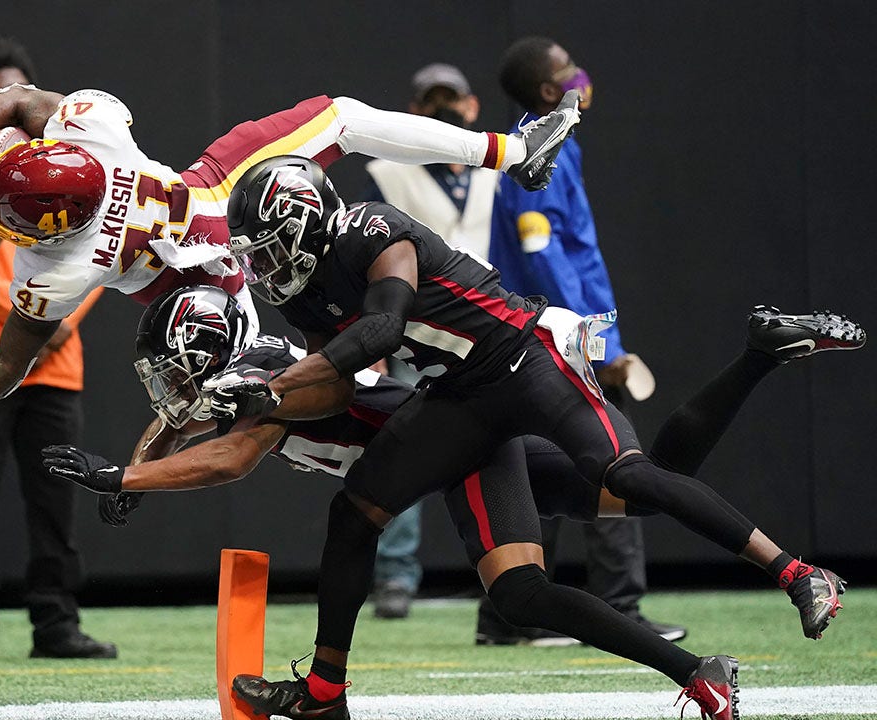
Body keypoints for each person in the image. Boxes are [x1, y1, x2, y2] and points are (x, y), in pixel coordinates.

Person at [205, 155, 855, 720]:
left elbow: (380, 329)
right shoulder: (305, 291)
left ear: (305, 222)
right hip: (458, 399)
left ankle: (799, 573)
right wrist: (276, 398)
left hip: (523, 354)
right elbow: (339, 384)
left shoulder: (369, 229)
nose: (261, 268)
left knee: (626, 475)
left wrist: (277, 386)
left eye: (265, 248)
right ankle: (323, 692)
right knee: (372, 523)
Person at [43, 284, 863, 720]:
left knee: (519, 591)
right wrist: (148, 453)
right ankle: (759, 354)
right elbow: (197, 414)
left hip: (456, 443)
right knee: (652, 481)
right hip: (450, 443)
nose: (169, 392)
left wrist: (124, 479)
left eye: (177, 374)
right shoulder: (251, 364)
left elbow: (229, 456)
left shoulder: (267, 388)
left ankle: (696, 674)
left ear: (213, 359)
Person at [0, 75, 582, 480]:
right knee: (341, 117)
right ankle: (511, 151)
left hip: (216, 280)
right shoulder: (87, 129)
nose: (4, 231)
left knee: (257, 401)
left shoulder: (54, 266)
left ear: (53, 223)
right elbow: (19, 97)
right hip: (216, 195)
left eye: (16, 221)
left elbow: (8, 369)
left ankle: (402, 439)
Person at [482, 37, 683, 645]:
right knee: (614, 462)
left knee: (538, 468)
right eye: (567, 70)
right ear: (549, 93)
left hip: (547, 335)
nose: (580, 75)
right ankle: (613, 604)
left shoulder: (553, 145)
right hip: (558, 338)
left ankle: (507, 617)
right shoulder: (535, 154)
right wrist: (602, 343)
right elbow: (544, 256)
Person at [0, 38, 116, 663]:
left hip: (57, 370)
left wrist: (59, 311)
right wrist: (31, 312)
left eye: (19, 89)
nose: (11, 102)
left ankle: (57, 625)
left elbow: (100, 251)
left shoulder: (69, 163)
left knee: (55, 504)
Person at [361, 63, 501, 620]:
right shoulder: (387, 172)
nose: (443, 109)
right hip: (418, 332)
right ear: (414, 115)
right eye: (431, 102)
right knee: (401, 447)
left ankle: (504, 571)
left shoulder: (498, 174)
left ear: (471, 108)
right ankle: (395, 575)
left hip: (492, 330)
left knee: (503, 449)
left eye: (453, 100)